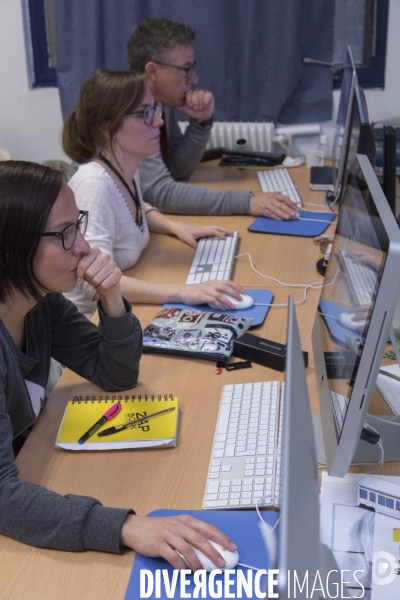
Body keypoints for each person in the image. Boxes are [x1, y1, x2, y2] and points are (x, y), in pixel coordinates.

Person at [0, 160, 237, 568]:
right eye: (65, 234)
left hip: (33, 466)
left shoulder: (39, 303)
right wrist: (125, 527)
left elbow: (116, 374)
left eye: (79, 225)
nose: (85, 247)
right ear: (13, 246)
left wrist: (109, 296)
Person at [62, 69, 244, 319]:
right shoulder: (94, 185)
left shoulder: (124, 166)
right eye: (146, 113)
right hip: (88, 326)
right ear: (108, 127)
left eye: (155, 109)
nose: (159, 121)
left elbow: (132, 208)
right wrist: (183, 292)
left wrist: (176, 226)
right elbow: (97, 283)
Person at [127, 17, 297, 219]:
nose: (194, 79)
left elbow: (177, 170)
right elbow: (160, 193)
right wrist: (247, 201)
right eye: (185, 69)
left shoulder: (160, 103)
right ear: (152, 71)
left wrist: (201, 123)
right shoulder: (131, 112)